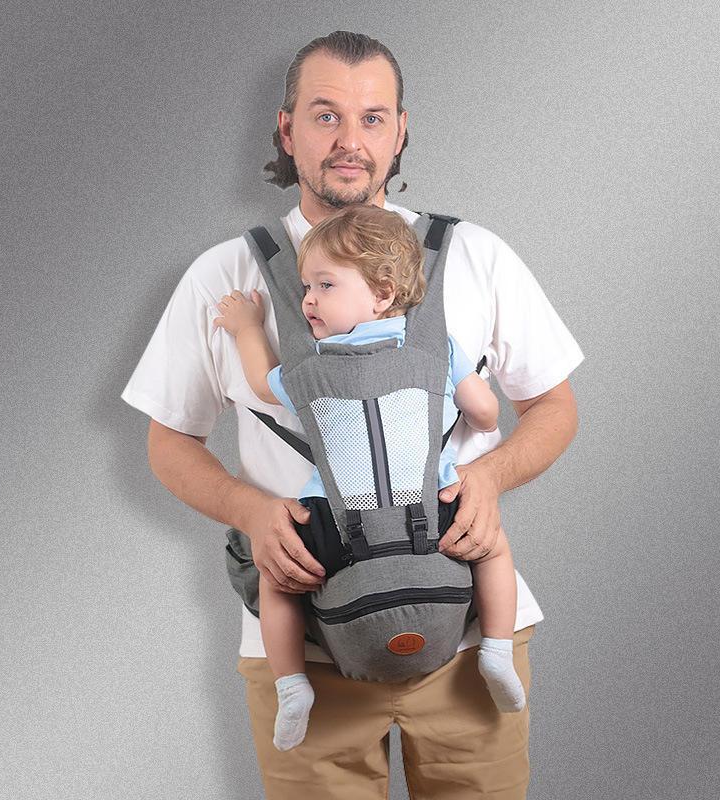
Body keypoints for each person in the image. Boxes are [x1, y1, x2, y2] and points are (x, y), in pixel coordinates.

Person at [121, 30, 583, 799]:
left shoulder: (473, 256)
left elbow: (554, 407)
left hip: (469, 637)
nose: (349, 140)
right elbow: (169, 441)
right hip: (303, 653)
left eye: (373, 118)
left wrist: (490, 477)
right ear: (285, 129)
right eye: (325, 115)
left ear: (401, 130)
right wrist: (252, 511)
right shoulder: (224, 277)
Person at [214, 203, 526, 751]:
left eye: (325, 285)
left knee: (277, 579)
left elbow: (262, 383)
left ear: (382, 291)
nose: (308, 299)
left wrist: (244, 326)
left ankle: (291, 686)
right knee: (494, 548)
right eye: (307, 285)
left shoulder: (307, 370)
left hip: (338, 521)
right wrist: (474, 415)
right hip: (427, 515)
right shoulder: (436, 352)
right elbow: (486, 415)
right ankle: (497, 650)